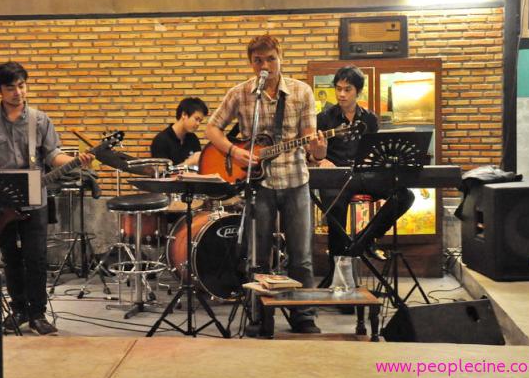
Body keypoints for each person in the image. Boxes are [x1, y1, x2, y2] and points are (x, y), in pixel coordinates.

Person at [206, 34, 327, 334]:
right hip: (258, 186)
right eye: (258, 60)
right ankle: (259, 316)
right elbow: (212, 128)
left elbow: (310, 140)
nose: (265, 65)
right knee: (258, 255)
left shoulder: (301, 91)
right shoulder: (241, 94)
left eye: (271, 59)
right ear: (251, 63)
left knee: (301, 256)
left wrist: (318, 149)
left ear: (280, 58)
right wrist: (233, 151)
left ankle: (303, 316)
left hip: (296, 181)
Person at [0, 61, 92, 336]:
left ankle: (38, 314)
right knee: (10, 258)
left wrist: (75, 161)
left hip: (35, 198)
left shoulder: (40, 120)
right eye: (10, 88)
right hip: (1, 202)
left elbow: (53, 155)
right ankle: (18, 310)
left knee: (36, 257)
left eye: (22, 86)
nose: (18, 92)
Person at [315, 65, 414, 285]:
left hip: (365, 174)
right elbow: (312, 152)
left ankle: (366, 240)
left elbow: (375, 152)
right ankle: (338, 278)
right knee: (335, 212)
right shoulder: (323, 118)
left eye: (347, 89)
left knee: (405, 195)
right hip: (336, 177)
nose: (341, 94)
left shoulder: (370, 119)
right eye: (338, 89)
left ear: (358, 92)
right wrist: (321, 160)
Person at [150, 97, 208, 167]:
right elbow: (161, 172)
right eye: (196, 119)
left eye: (200, 121)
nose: (198, 124)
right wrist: (188, 163)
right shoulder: (161, 140)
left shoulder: (193, 139)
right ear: (184, 115)